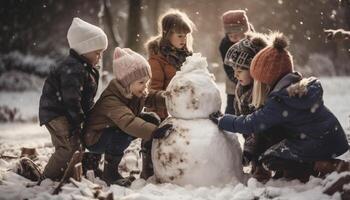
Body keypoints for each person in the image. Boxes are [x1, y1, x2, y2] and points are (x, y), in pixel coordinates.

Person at [210, 32, 349, 182]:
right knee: (276, 149)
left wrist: (223, 120)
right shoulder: (292, 87)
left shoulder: (280, 100)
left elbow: (252, 123)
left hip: (318, 144)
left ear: (267, 78)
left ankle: (322, 165)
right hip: (330, 140)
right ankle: (307, 167)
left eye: (258, 79)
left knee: (270, 159)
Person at [83, 47, 172, 186]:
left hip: (111, 128)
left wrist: (168, 98)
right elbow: (128, 122)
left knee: (151, 119)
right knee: (122, 135)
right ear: (126, 82)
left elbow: (152, 97)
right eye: (141, 82)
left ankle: (149, 167)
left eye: (146, 82)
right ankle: (110, 174)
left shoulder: (134, 91)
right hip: (95, 138)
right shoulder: (111, 99)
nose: (145, 86)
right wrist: (154, 132)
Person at [38, 17, 108, 181]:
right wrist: (79, 120)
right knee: (67, 147)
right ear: (84, 49)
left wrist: (88, 117)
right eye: (97, 53)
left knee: (79, 142)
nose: (99, 57)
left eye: (101, 53)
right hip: (57, 113)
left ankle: (80, 170)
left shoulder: (86, 67)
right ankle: (46, 178)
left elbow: (85, 98)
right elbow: (71, 99)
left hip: (69, 112)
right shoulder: (73, 68)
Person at [143, 9, 194, 179]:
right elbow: (150, 93)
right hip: (163, 114)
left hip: (184, 113)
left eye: (185, 35)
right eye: (179, 35)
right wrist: (164, 113)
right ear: (167, 34)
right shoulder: (156, 60)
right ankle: (149, 169)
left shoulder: (187, 57)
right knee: (154, 140)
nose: (183, 39)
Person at [224, 33, 271, 181]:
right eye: (234, 71)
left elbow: (258, 127)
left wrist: (250, 150)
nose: (236, 75)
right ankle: (257, 162)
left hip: (266, 138)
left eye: (240, 71)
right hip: (251, 135)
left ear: (253, 69)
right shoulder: (241, 87)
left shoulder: (262, 91)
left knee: (262, 144)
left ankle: (264, 166)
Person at [219, 10, 252, 115]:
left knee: (250, 106)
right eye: (231, 36)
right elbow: (227, 66)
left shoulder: (254, 41)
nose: (234, 39)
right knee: (232, 105)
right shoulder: (225, 45)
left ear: (245, 32)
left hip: (253, 81)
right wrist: (236, 79)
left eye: (237, 35)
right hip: (233, 82)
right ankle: (228, 124)